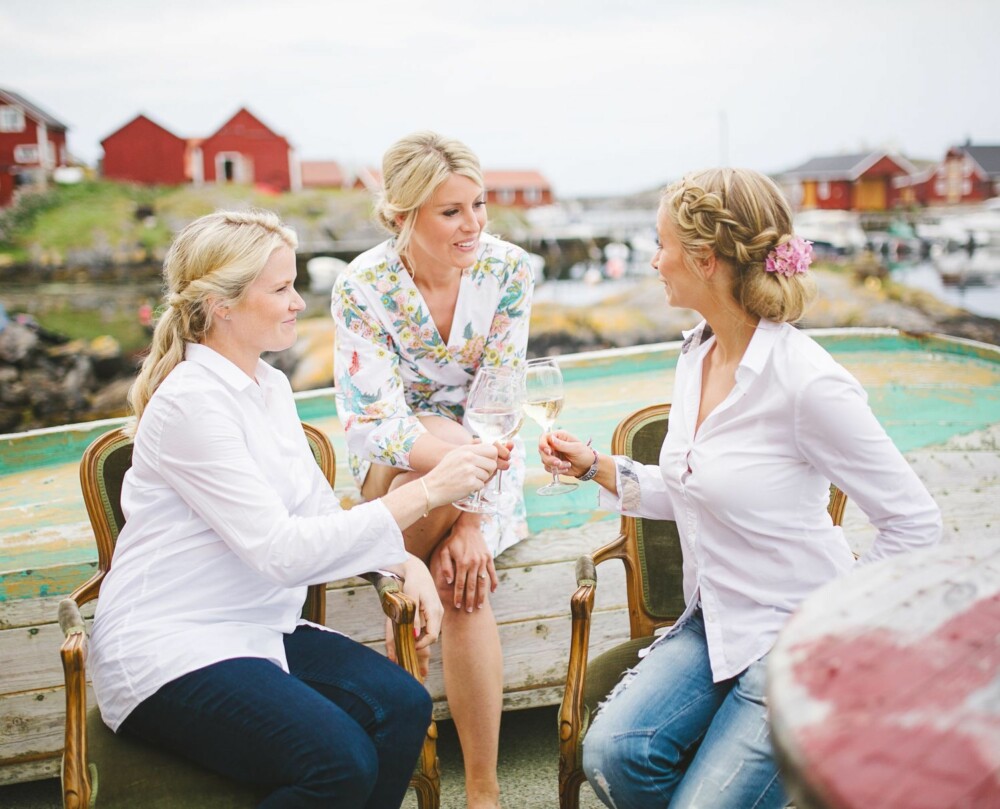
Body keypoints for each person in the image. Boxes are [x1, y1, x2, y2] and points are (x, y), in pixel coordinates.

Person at [538, 168, 942, 809]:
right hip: (715, 619)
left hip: (801, 642)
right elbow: (696, 490)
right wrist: (596, 467)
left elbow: (916, 524)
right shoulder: (696, 355)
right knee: (616, 756)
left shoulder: (808, 382)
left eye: (661, 243)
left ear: (703, 260)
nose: (653, 259)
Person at [89, 209, 499, 809]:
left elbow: (314, 510)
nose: (296, 303)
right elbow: (281, 552)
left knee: (404, 707)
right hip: (169, 644)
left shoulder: (269, 387)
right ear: (221, 305)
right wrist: (429, 491)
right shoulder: (189, 405)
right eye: (280, 289)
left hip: (258, 627)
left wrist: (402, 565)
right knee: (338, 762)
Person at [331, 131, 534, 809]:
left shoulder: (507, 272)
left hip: (487, 467)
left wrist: (471, 517)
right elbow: (374, 421)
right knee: (442, 437)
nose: (473, 224)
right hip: (394, 471)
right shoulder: (362, 285)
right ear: (402, 215)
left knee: (461, 575)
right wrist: (462, 478)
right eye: (451, 211)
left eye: (478, 205)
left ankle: (474, 789)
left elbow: (499, 404)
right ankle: (482, 793)